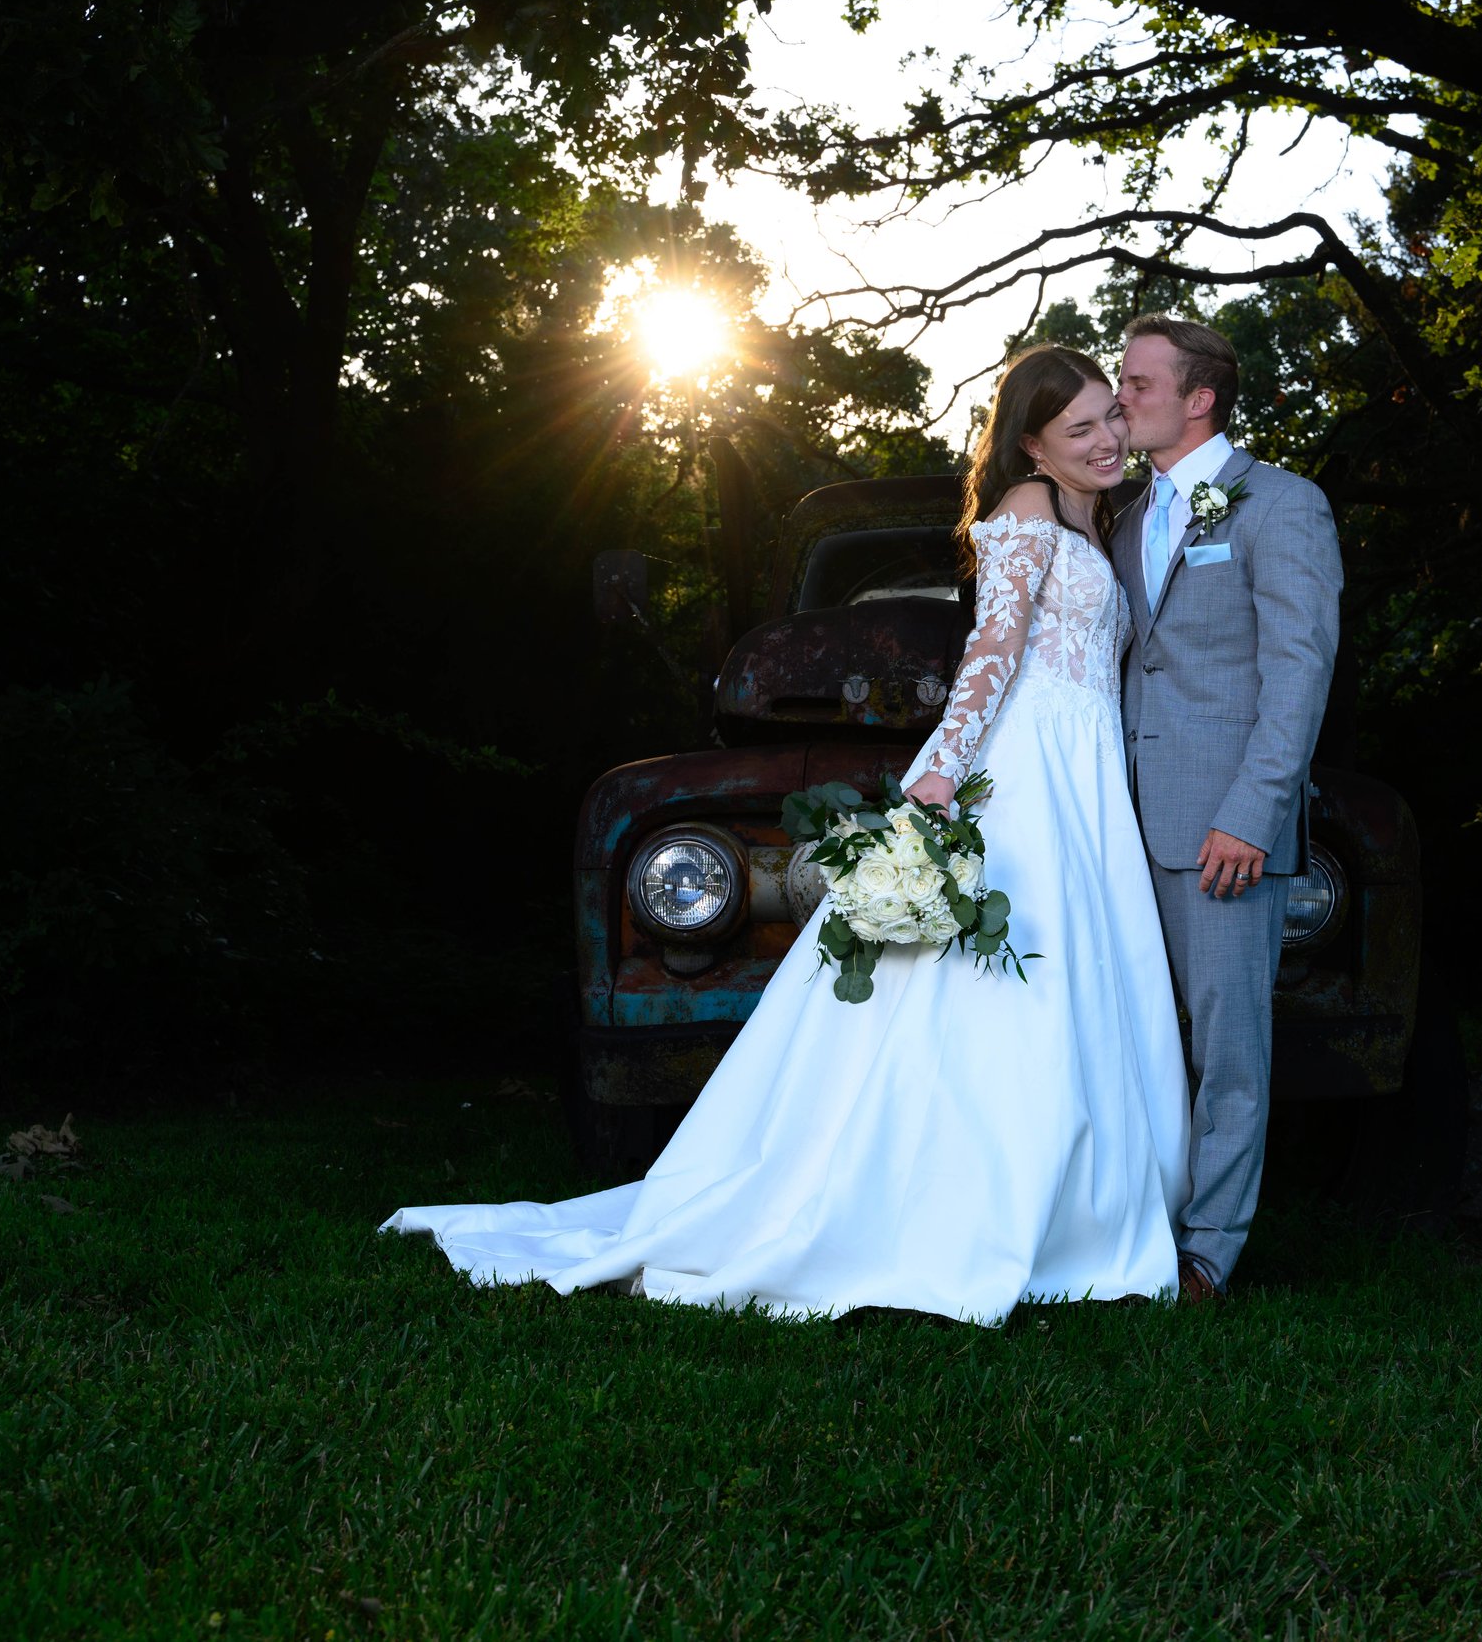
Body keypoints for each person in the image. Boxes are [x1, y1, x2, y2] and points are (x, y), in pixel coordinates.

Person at [382, 345, 1190, 1325]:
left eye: (1111, 416)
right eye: (1080, 427)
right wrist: (941, 768)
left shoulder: (1095, 513)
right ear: (1030, 443)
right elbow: (994, 647)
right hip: (1029, 763)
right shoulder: (1027, 509)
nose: (1107, 439)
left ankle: (1072, 1195)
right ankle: (970, 1201)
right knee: (1002, 973)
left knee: (1061, 971)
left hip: (1082, 768)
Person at [1111, 315, 1343, 1304]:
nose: (1119, 397)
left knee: (1227, 1047)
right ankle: (1130, 1225)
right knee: (1134, 1036)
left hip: (1223, 829)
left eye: (1138, 383)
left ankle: (1209, 1248)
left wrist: (1253, 811)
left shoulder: (1282, 504)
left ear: (1198, 397)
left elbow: (1300, 669)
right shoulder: (1124, 516)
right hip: (1119, 824)